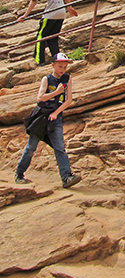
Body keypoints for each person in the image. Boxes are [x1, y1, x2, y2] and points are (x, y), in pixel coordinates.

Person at [15, 52, 82, 188]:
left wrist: (56, 113)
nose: (62, 70)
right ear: (53, 65)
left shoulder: (67, 79)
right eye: (60, 67)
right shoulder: (46, 79)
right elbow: (40, 98)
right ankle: (19, 173)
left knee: (60, 148)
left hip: (55, 117)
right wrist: (56, 92)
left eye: (64, 67)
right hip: (41, 117)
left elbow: (68, 100)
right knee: (31, 147)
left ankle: (67, 177)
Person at [17, 0, 78, 66]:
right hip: (61, 12)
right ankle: (58, 60)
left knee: (41, 36)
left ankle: (39, 61)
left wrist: (25, 15)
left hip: (50, 13)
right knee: (53, 38)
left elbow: (34, 0)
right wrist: (69, 7)